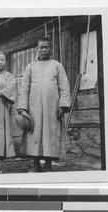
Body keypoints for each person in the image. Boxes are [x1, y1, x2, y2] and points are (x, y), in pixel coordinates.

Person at [17, 37, 71, 172]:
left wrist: (63, 106)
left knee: (50, 134)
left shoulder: (57, 65)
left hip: (52, 107)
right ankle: (35, 165)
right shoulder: (30, 67)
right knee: (34, 134)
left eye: (46, 47)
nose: (44, 49)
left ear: (51, 49)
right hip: (33, 107)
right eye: (41, 47)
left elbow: (64, 86)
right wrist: (22, 106)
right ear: (37, 49)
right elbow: (24, 88)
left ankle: (48, 165)